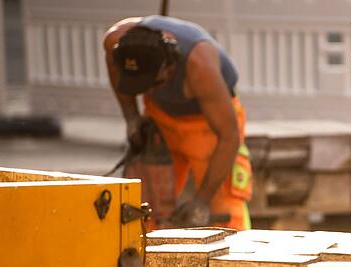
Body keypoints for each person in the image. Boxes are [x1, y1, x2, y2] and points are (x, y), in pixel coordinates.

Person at [104, 15, 252, 230]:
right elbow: (113, 67)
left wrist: (202, 201)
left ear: (169, 68)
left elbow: (229, 137)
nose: (149, 91)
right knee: (144, 209)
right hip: (160, 119)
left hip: (209, 127)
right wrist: (131, 117)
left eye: (153, 84)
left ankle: (240, 261)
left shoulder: (200, 65)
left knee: (224, 212)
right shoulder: (116, 42)